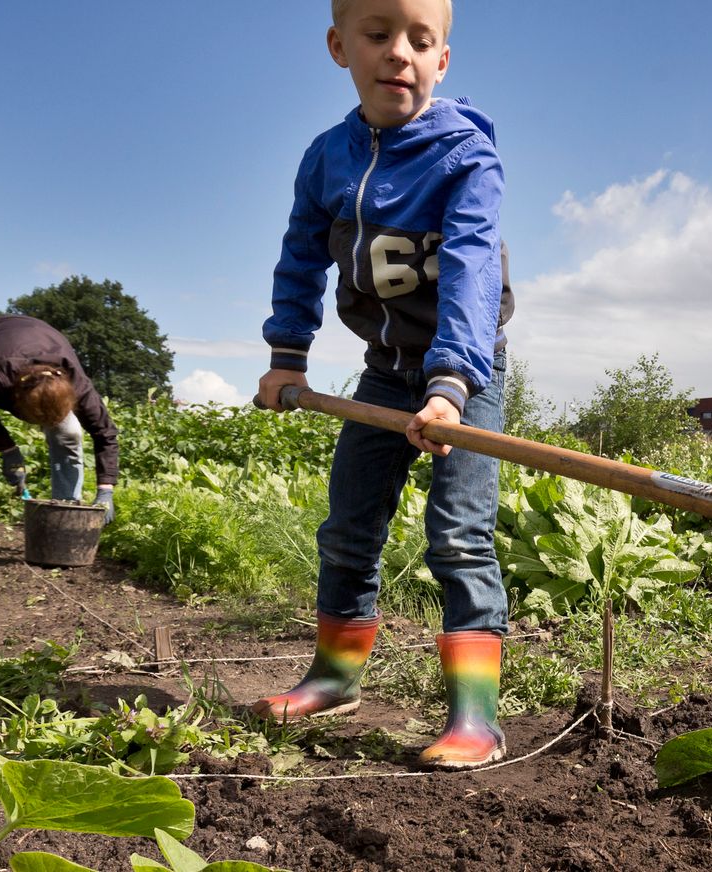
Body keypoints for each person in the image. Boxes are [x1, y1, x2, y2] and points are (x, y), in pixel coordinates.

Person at [251, 0, 514, 770]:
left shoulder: (466, 157)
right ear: (340, 47)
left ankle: (477, 718)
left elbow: (471, 270)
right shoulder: (327, 158)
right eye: (377, 34)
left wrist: (452, 385)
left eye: (419, 40)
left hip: (463, 376)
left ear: (442, 60)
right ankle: (334, 679)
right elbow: (301, 256)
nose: (399, 53)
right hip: (381, 377)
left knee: (460, 537)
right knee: (347, 529)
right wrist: (288, 356)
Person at [0, 313, 120, 558]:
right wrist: (7, 448)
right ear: (16, 402)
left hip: (40, 342)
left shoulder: (77, 383)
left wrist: (106, 489)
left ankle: (66, 516)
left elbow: (105, 433)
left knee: (69, 432)